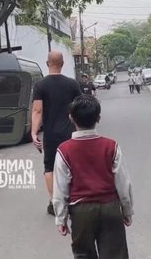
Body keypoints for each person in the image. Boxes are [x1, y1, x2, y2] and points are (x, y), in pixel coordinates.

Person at [52, 95, 134, 259]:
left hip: (81, 211)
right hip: (110, 208)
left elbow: (60, 189)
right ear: (98, 118)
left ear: (71, 118)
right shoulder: (111, 146)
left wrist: (61, 218)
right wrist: (127, 210)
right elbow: (123, 183)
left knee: (83, 255)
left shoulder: (64, 150)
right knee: (115, 254)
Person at [31, 51, 81, 215]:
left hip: (51, 135)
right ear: (63, 64)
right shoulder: (72, 84)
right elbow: (80, 107)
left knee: (49, 168)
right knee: (73, 166)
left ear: (47, 64)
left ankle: (55, 202)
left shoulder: (40, 86)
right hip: (71, 134)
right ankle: (74, 198)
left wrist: (33, 132)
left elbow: (37, 110)